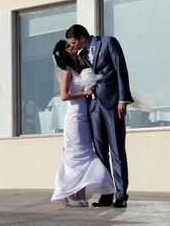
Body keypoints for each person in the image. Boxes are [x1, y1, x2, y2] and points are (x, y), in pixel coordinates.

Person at [65, 24, 133, 208]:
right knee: (100, 152)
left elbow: (121, 69)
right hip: (93, 107)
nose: (73, 46)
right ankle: (106, 195)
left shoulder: (108, 43)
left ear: (80, 37)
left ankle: (121, 194)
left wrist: (123, 99)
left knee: (117, 149)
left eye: (73, 42)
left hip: (112, 103)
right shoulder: (81, 55)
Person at [51, 40, 115, 207]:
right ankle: (71, 196)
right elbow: (64, 96)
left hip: (85, 116)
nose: (72, 46)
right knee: (76, 155)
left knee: (86, 152)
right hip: (74, 117)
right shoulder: (66, 71)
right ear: (64, 52)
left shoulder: (79, 67)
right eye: (68, 46)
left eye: (72, 44)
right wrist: (84, 93)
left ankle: (80, 195)